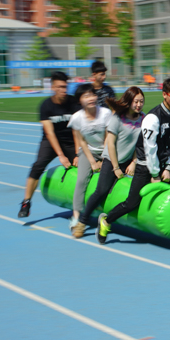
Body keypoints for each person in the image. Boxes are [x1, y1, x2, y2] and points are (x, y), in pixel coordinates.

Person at [99, 76, 170, 243]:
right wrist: (155, 174)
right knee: (131, 203)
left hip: (165, 164)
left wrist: (169, 167)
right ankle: (106, 221)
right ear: (165, 94)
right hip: (146, 165)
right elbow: (150, 150)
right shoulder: (152, 118)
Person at [71, 87, 144, 239]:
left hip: (129, 160)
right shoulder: (118, 118)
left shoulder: (143, 119)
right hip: (112, 159)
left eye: (141, 102)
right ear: (129, 101)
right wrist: (116, 168)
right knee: (101, 190)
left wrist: (134, 162)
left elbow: (140, 144)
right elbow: (110, 144)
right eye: (136, 101)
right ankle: (82, 222)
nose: (139, 105)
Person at [18, 71, 80, 218]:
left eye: (65, 86)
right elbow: (50, 133)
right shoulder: (45, 106)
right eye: (60, 87)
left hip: (71, 140)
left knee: (83, 165)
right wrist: (61, 155)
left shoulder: (74, 103)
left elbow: (77, 130)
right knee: (38, 165)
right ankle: (26, 202)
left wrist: (78, 153)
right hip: (51, 141)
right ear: (53, 87)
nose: (63, 90)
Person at [67, 84, 112, 236]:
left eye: (92, 94)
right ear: (80, 100)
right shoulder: (76, 118)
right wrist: (92, 162)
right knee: (81, 180)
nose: (91, 98)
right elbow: (81, 141)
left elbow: (108, 137)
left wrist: (104, 158)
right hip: (88, 152)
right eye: (86, 96)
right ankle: (76, 216)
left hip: (107, 150)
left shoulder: (105, 113)